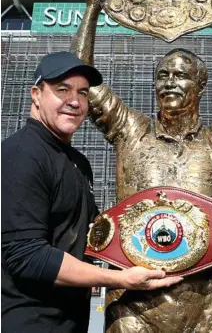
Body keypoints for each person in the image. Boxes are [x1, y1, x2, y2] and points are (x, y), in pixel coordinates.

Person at [70, 0, 212, 333]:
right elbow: (83, 78)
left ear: (200, 86)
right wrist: (92, 8)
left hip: (211, 310)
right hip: (134, 310)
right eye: (162, 75)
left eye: (181, 75)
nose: (169, 82)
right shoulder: (130, 130)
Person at [1, 51, 183, 333]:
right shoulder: (21, 154)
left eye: (82, 93)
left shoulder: (77, 162)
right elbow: (28, 256)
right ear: (36, 94)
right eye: (63, 90)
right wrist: (120, 279)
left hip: (71, 320)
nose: (74, 101)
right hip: (27, 319)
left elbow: (93, 233)